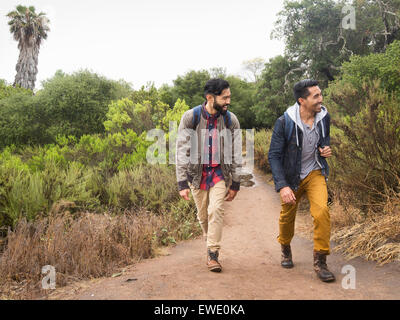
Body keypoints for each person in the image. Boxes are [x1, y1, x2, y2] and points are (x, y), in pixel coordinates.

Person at [268, 79, 335, 282]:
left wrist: (325, 149)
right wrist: (283, 186)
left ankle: (320, 261)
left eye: (320, 94)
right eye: (316, 96)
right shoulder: (284, 122)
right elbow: (273, 155)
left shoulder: (324, 116)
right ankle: (285, 247)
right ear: (301, 100)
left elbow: (324, 140)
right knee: (287, 216)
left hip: (315, 172)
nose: (321, 99)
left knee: (322, 211)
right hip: (291, 177)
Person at [176, 78, 242, 273]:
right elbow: (181, 150)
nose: (228, 101)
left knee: (216, 211)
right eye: (224, 97)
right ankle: (210, 241)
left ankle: (213, 254)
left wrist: (236, 183)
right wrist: (182, 183)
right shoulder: (191, 117)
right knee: (203, 215)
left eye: (229, 96)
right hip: (197, 174)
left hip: (219, 173)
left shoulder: (231, 120)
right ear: (210, 97)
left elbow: (236, 153)